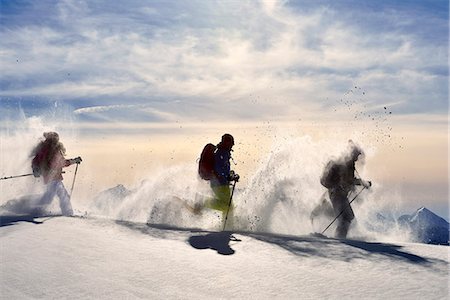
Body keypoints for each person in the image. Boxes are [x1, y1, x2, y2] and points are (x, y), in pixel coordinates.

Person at [319, 141, 371, 238]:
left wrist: (362, 182)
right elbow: (348, 180)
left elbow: (348, 180)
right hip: (337, 194)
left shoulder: (347, 163)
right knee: (346, 218)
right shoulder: (346, 164)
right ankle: (340, 240)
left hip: (338, 194)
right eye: (357, 155)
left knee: (346, 218)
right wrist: (362, 183)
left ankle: (339, 238)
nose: (357, 158)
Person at [31, 132, 82, 216]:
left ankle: (35, 210)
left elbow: (35, 161)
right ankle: (68, 213)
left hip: (50, 178)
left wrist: (36, 170)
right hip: (54, 178)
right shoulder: (53, 150)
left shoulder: (44, 149)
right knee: (61, 195)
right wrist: (74, 161)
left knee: (52, 196)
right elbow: (62, 163)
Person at [196, 134, 239, 224]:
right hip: (219, 184)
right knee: (228, 207)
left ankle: (227, 224)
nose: (233, 144)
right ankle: (203, 202)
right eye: (231, 142)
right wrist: (228, 176)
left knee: (229, 206)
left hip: (222, 183)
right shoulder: (221, 153)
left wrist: (231, 175)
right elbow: (218, 169)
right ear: (226, 142)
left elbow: (224, 169)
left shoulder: (224, 152)